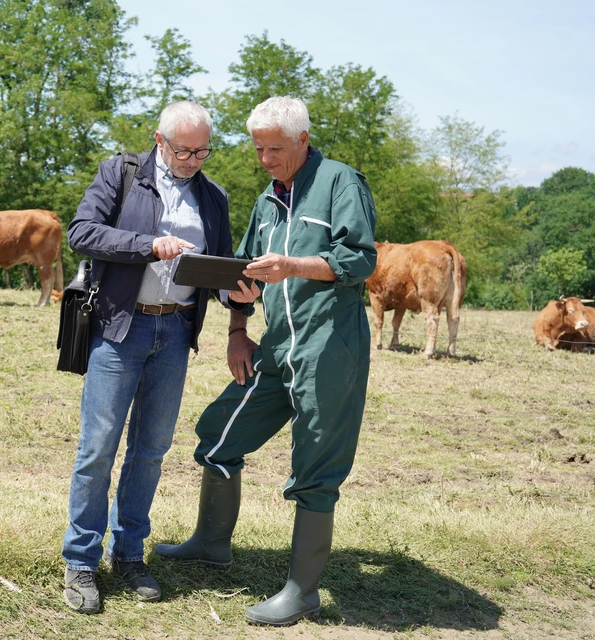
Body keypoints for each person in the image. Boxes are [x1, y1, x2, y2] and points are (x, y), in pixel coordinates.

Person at [154, 96, 377, 626]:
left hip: (329, 347)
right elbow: (244, 277)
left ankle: (302, 591)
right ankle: (211, 545)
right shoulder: (265, 201)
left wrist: (293, 265)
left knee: (316, 466)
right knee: (216, 432)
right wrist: (237, 333)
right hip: (275, 347)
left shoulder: (342, 183)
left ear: (303, 140)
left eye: (275, 148)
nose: (265, 158)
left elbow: (360, 259)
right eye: (258, 148)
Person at [62, 101, 238, 614]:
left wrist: (237, 294)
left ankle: (130, 553)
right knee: (98, 448)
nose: (192, 159)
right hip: (121, 328)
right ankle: (80, 562)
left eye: (202, 150)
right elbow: (82, 233)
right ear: (159, 139)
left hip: (176, 331)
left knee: (152, 449)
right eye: (183, 149)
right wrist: (148, 245)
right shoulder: (121, 173)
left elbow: (220, 267)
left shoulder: (214, 196)